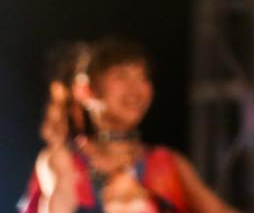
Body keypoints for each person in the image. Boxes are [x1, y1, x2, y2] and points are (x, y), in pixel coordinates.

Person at [21, 36, 238, 213]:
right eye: (121, 76)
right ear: (85, 90)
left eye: (142, 76)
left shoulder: (166, 164)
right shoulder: (61, 161)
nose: (136, 89)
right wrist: (65, 180)